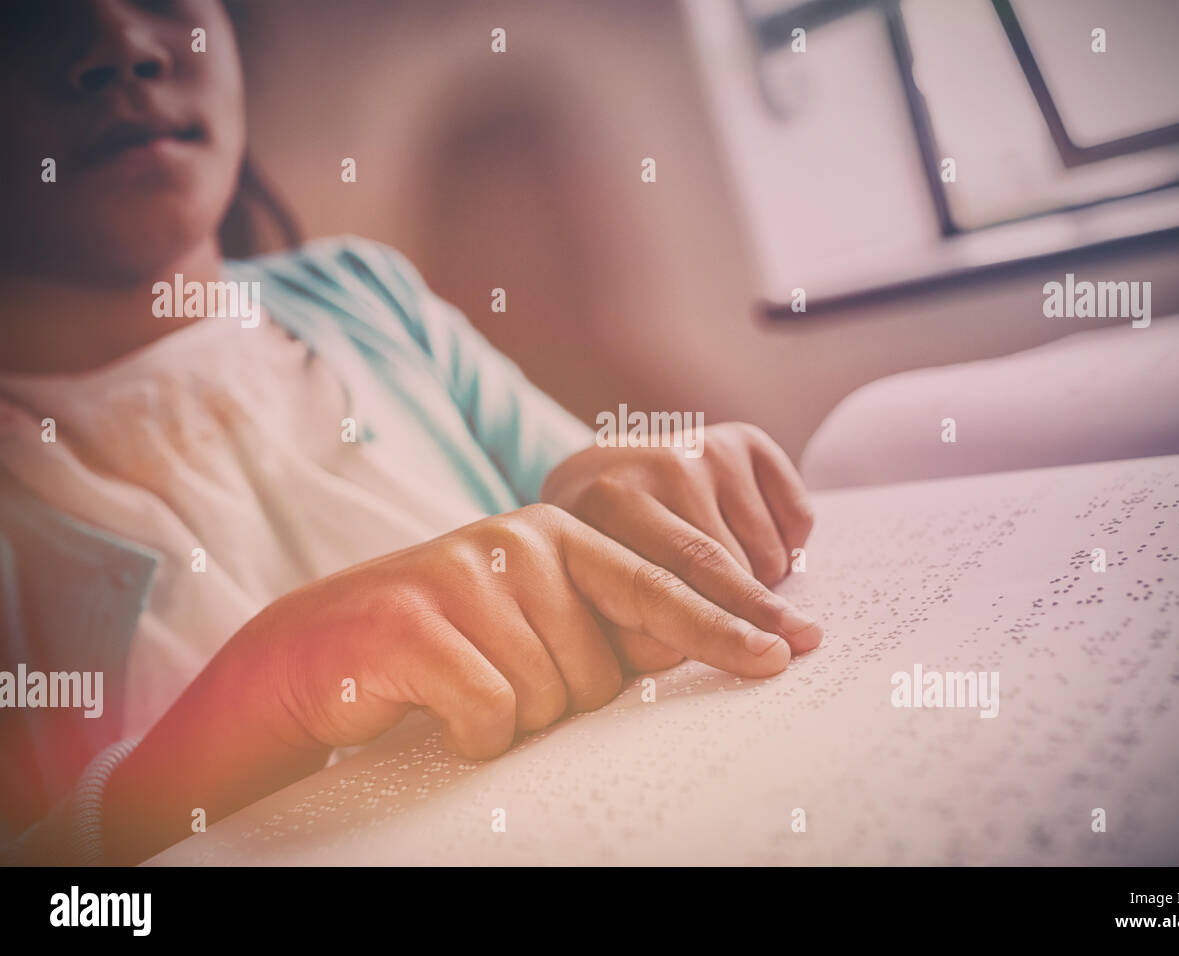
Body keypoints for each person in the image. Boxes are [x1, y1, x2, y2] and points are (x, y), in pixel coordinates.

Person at [0, 0, 822, 865]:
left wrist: (642, 490)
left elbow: (586, 494)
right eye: (29, 16)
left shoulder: (369, 296)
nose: (122, 49)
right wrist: (271, 687)